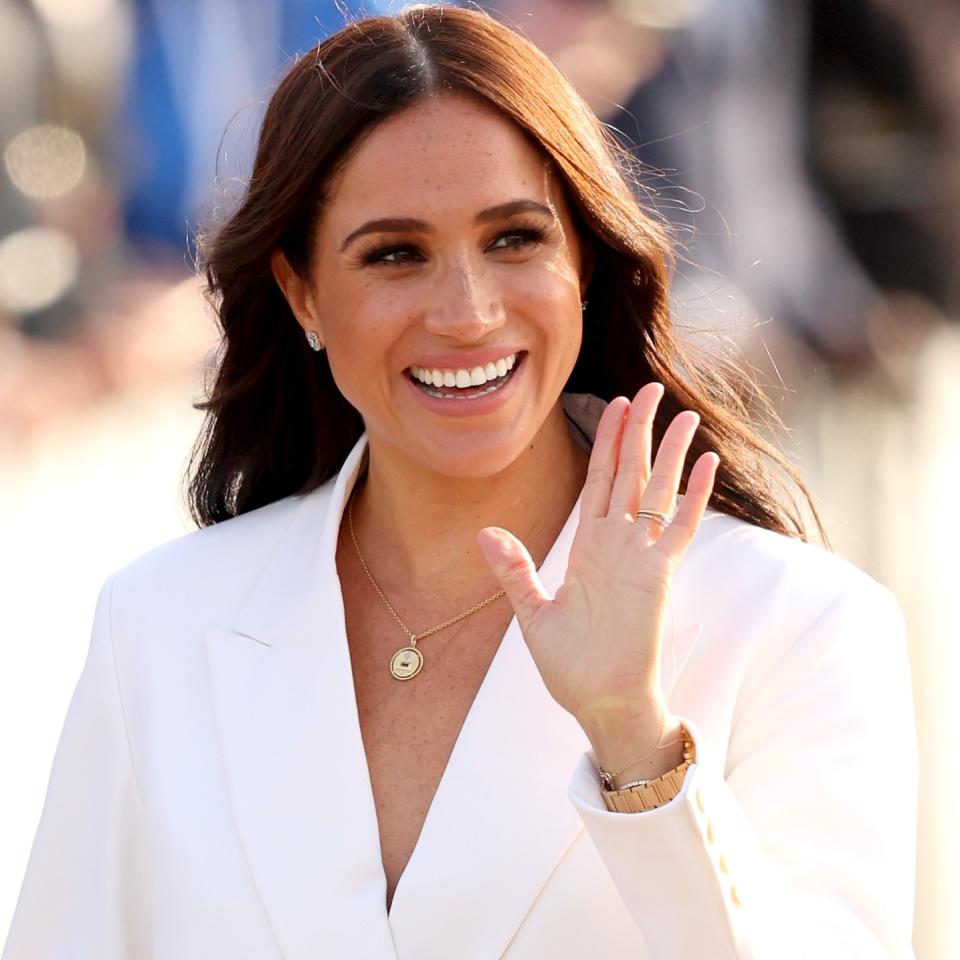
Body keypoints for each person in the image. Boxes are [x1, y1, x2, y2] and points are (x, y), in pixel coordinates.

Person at [2, 6, 917, 958]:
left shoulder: (798, 622)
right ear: (301, 292)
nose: (468, 312)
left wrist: (635, 743)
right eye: (396, 254)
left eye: (515, 239)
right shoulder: (159, 625)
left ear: (587, 263)